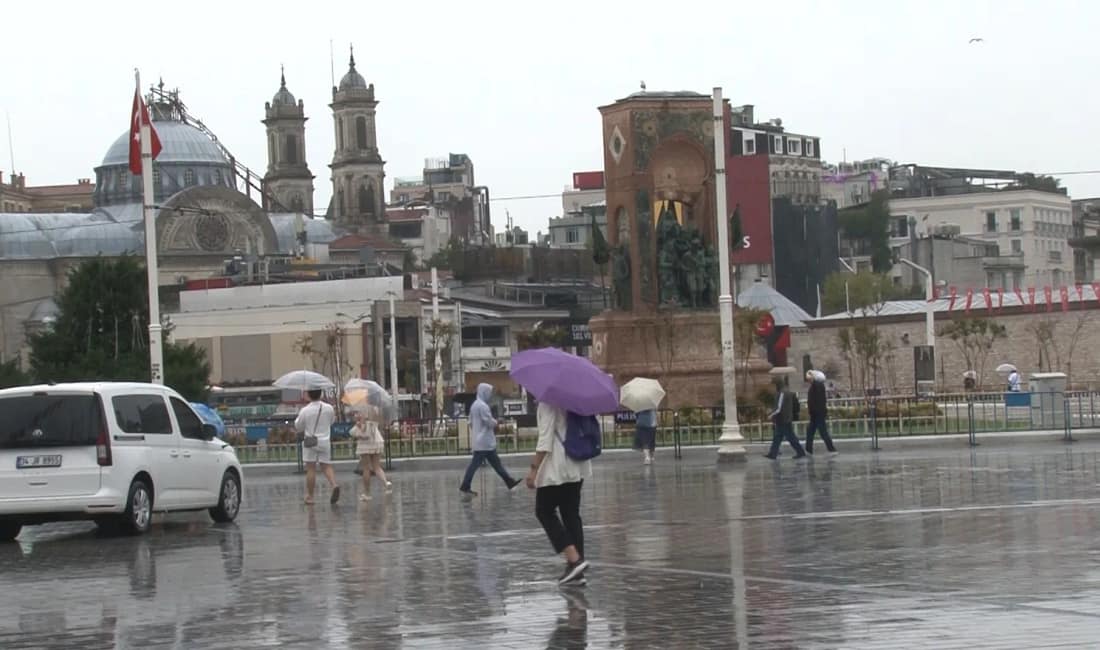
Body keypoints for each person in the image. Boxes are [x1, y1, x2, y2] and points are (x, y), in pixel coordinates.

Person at [526, 401, 592, 586]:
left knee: (544, 511)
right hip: (577, 463)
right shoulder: (576, 400)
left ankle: (573, 558)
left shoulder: (548, 403)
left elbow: (545, 441)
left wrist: (533, 470)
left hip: (557, 466)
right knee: (571, 514)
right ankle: (576, 571)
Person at [460, 383, 521, 499]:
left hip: (482, 441)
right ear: (484, 392)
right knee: (475, 465)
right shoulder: (483, 406)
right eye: (489, 392)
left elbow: (471, 422)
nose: (490, 395)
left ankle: (509, 482)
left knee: (496, 464)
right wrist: (496, 422)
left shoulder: (474, 405)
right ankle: (465, 485)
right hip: (484, 442)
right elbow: (488, 421)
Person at [294, 389, 341, 505]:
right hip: (325, 441)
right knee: (326, 466)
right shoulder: (329, 408)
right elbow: (331, 422)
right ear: (320, 394)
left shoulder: (305, 410)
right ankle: (334, 484)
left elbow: (298, 426)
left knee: (311, 468)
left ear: (309, 395)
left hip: (310, 441)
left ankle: (310, 496)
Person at [352, 408, 391, 501]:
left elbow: (363, 428)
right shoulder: (375, 409)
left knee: (366, 468)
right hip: (376, 439)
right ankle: (386, 483)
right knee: (377, 466)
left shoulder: (362, 409)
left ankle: (367, 493)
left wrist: (358, 422)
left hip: (365, 442)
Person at [764, 379, 806, 460]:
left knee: (789, 437)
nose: (772, 388)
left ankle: (800, 452)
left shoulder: (782, 393)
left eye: (772, 386)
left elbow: (779, 408)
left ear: (777, 385)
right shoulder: (784, 392)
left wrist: (771, 415)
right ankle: (773, 454)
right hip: (784, 418)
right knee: (778, 437)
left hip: (783, 419)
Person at [804, 371, 837, 455]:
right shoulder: (816, 386)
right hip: (815, 414)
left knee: (823, 432)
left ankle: (832, 449)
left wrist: (812, 374)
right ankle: (808, 450)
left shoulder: (818, 385)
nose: (808, 380)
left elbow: (817, 400)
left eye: (810, 379)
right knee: (810, 432)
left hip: (818, 413)